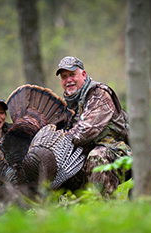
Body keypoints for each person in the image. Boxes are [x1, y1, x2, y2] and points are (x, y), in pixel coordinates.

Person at [56, 56, 132, 197]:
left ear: (83, 75)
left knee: (96, 157)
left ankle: (105, 209)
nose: (68, 80)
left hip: (121, 153)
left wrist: (55, 141)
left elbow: (83, 133)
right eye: (64, 77)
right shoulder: (68, 104)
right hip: (86, 154)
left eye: (72, 75)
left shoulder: (99, 94)